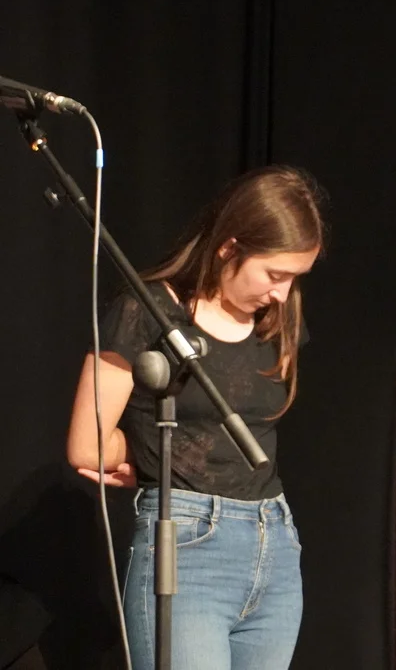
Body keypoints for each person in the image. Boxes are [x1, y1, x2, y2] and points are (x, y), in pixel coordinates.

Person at [65, 165, 325, 670]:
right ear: (229, 248)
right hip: (189, 546)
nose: (283, 292)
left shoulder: (278, 318)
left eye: (296, 277)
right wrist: (152, 457)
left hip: (274, 542)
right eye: (274, 274)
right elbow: (87, 443)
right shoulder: (146, 310)